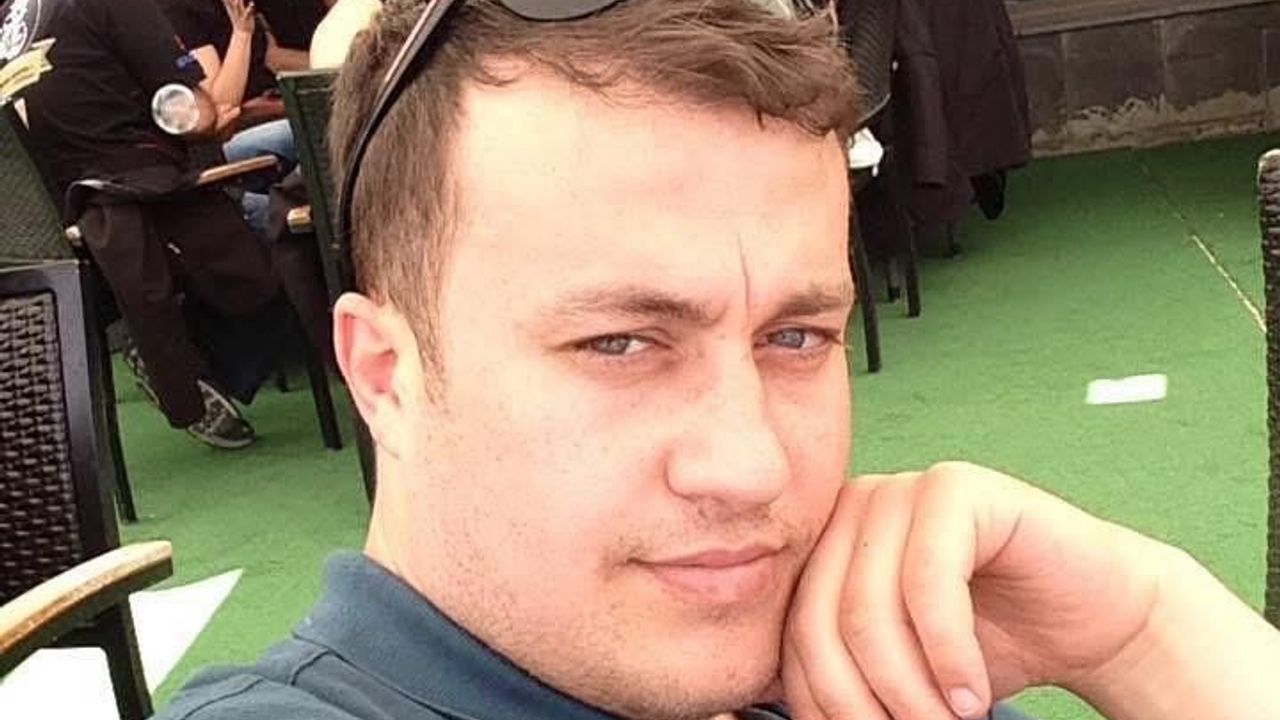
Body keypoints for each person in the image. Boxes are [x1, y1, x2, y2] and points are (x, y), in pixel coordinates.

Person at [154, 1, 1280, 719]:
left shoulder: (869, 671)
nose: (749, 467)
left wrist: (1141, 632)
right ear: (385, 375)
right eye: (618, 342)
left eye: (795, 336)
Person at [8, 0, 285, 448]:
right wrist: (212, 121)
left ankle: (171, 358)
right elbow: (189, 110)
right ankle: (189, 360)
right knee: (278, 253)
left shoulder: (11, 24)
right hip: (140, 190)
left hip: (52, 229)